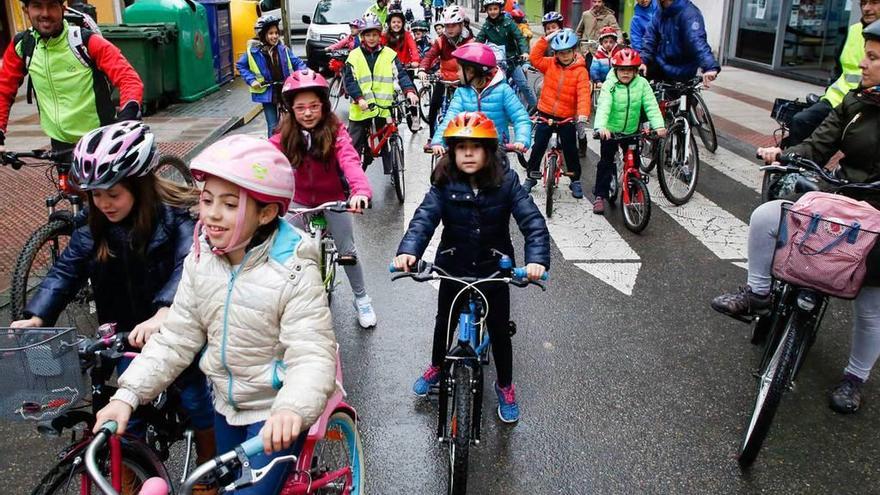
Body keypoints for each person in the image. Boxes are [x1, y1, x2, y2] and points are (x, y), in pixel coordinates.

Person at [94, 134, 338, 495]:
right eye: (207, 200)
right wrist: (126, 396)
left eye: (228, 204)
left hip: (274, 413)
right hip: (226, 406)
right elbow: (176, 338)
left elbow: (312, 353)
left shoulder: (294, 270)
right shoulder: (200, 260)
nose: (211, 214)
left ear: (266, 213)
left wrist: (290, 410)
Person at [9, 121, 217, 492]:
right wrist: (36, 315)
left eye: (113, 194)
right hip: (122, 333)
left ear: (140, 186)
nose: (103, 204)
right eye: (95, 196)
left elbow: (188, 262)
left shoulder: (176, 217)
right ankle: (127, 478)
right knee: (124, 409)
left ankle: (208, 468)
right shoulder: (94, 228)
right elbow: (64, 272)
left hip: (171, 326)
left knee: (196, 397)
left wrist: (166, 310)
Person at [712, 20, 880, 414]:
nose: (863, 64)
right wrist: (785, 154)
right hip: (844, 197)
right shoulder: (858, 101)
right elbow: (820, 143)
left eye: (872, 58)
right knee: (769, 216)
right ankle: (758, 294)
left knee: (870, 303)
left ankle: (855, 377)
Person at [394, 112, 550, 423]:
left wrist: (536, 261)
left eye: (475, 147)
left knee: (500, 332)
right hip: (453, 265)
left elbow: (532, 222)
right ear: (451, 151)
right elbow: (423, 220)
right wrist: (409, 252)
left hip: (495, 269)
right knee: (444, 322)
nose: (468, 153)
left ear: (489, 151)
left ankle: (505, 385)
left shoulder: (507, 182)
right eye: (460, 147)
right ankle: (437, 366)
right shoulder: (444, 182)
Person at [270, 70, 377, 328]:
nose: (307, 113)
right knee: (286, 253)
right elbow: (264, 157)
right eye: (300, 108)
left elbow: (350, 160)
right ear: (291, 110)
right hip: (298, 201)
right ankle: (287, 303)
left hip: (334, 201)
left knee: (347, 251)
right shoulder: (283, 135)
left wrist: (360, 191)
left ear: (324, 106)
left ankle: (362, 299)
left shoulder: (336, 131)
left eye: (314, 106)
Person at [0, 0, 143, 153]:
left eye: (52, 6)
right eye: (37, 6)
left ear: (62, 9)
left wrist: (129, 114)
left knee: (135, 177)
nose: (45, 13)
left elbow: (128, 77)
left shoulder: (85, 42)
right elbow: (4, 89)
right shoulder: (23, 45)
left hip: (100, 140)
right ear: (26, 10)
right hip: (60, 143)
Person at [782, 0, 877, 148]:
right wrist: (829, 91)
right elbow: (838, 68)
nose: (866, 8)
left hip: (870, 103)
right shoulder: (853, 30)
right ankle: (797, 168)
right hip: (838, 99)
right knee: (801, 121)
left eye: (874, 3)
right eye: (863, 3)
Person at [592, 48, 667, 214]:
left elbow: (651, 105)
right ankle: (600, 196)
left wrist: (658, 126)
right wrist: (601, 127)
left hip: (631, 131)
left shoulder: (642, 84)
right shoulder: (610, 85)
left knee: (634, 163)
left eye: (630, 70)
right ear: (616, 70)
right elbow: (604, 106)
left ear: (635, 71)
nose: (626, 73)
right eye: (622, 70)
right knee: (606, 163)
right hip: (611, 131)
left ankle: (633, 192)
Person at [344, 16, 419, 171]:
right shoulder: (354, 56)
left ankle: (393, 170)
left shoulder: (390, 54)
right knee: (353, 143)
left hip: (384, 106)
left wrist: (410, 91)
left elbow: (402, 75)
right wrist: (359, 98)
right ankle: (351, 177)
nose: (371, 38)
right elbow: (350, 81)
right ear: (362, 36)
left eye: (375, 35)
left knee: (388, 137)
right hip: (361, 108)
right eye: (368, 35)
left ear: (380, 36)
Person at [523, 28, 591, 199]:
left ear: (574, 51)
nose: (565, 56)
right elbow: (534, 58)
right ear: (556, 53)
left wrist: (582, 114)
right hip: (546, 112)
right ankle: (531, 177)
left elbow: (583, 94)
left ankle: (575, 180)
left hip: (567, 116)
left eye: (568, 52)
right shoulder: (550, 63)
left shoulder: (580, 71)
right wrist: (546, 38)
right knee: (538, 145)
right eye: (560, 53)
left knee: (570, 149)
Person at [429, 42, 531, 154]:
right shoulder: (461, 92)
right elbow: (450, 119)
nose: (457, 73)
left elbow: (520, 118)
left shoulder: (503, 91)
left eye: (459, 69)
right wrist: (438, 141)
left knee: (506, 172)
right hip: (468, 148)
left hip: (496, 150)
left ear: (471, 71)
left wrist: (521, 140)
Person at [236, 14, 307, 138]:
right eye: (270, 33)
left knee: (293, 121)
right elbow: (241, 66)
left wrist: (306, 73)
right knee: (273, 126)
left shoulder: (283, 49)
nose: (274, 36)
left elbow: (297, 62)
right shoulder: (253, 52)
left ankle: (294, 147)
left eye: (276, 33)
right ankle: (274, 151)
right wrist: (251, 80)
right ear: (263, 35)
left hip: (285, 90)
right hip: (268, 93)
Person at [419, 6, 474, 136]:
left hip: (463, 81)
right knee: (434, 106)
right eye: (447, 26)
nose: (449, 29)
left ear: (461, 25)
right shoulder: (441, 41)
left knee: (470, 110)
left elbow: (476, 61)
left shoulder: (470, 41)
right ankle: (432, 137)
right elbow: (429, 56)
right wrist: (422, 69)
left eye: (453, 26)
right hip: (444, 79)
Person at [638, 0, 719, 86]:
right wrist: (643, 61)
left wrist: (710, 67)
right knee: (634, 76)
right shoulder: (660, 12)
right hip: (662, 64)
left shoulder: (689, 13)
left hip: (682, 69)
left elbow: (697, 41)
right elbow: (650, 39)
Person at [476, 0, 537, 112]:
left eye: (495, 9)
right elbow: (478, 42)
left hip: (511, 61)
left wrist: (524, 52)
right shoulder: (486, 27)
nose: (493, 12)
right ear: (487, 11)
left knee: (523, 85)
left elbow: (520, 38)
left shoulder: (509, 23)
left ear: (500, 9)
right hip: (497, 64)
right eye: (490, 9)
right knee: (494, 88)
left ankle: (536, 108)